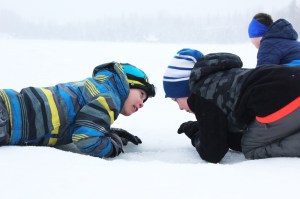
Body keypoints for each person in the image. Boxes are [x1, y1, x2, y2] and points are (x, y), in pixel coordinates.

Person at [163, 48, 300, 163]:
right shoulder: (224, 77)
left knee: (250, 147)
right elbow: (232, 133)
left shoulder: (202, 94)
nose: (180, 108)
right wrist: (205, 128)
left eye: (176, 99)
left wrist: (195, 132)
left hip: (285, 102)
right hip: (294, 80)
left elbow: (212, 152)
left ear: (185, 89)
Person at [0, 62, 156, 158]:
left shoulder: (96, 88)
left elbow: (80, 120)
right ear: (128, 84)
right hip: (7, 119)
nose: (142, 103)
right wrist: (112, 147)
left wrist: (103, 130)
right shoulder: (110, 98)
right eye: (141, 94)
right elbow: (86, 139)